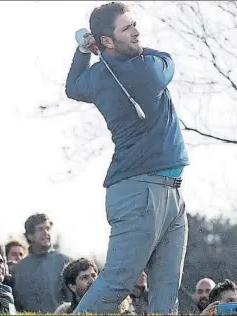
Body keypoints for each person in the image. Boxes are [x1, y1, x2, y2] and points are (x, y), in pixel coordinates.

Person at [65, 2, 189, 313]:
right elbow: (167, 60)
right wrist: (104, 51)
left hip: (168, 190)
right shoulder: (146, 70)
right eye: (127, 28)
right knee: (117, 282)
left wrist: (83, 52)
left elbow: (73, 86)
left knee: (166, 292)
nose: (136, 31)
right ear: (107, 40)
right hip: (140, 192)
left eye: (134, 24)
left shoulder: (97, 75)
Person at [12, 213, 72, 312]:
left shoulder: (66, 262)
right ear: (30, 235)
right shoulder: (18, 269)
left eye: (48, 228)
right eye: (40, 229)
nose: (46, 233)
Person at [54, 258, 133, 314]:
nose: (92, 281)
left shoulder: (118, 308)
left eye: (93, 275)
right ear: (72, 286)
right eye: (84, 278)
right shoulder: (64, 312)